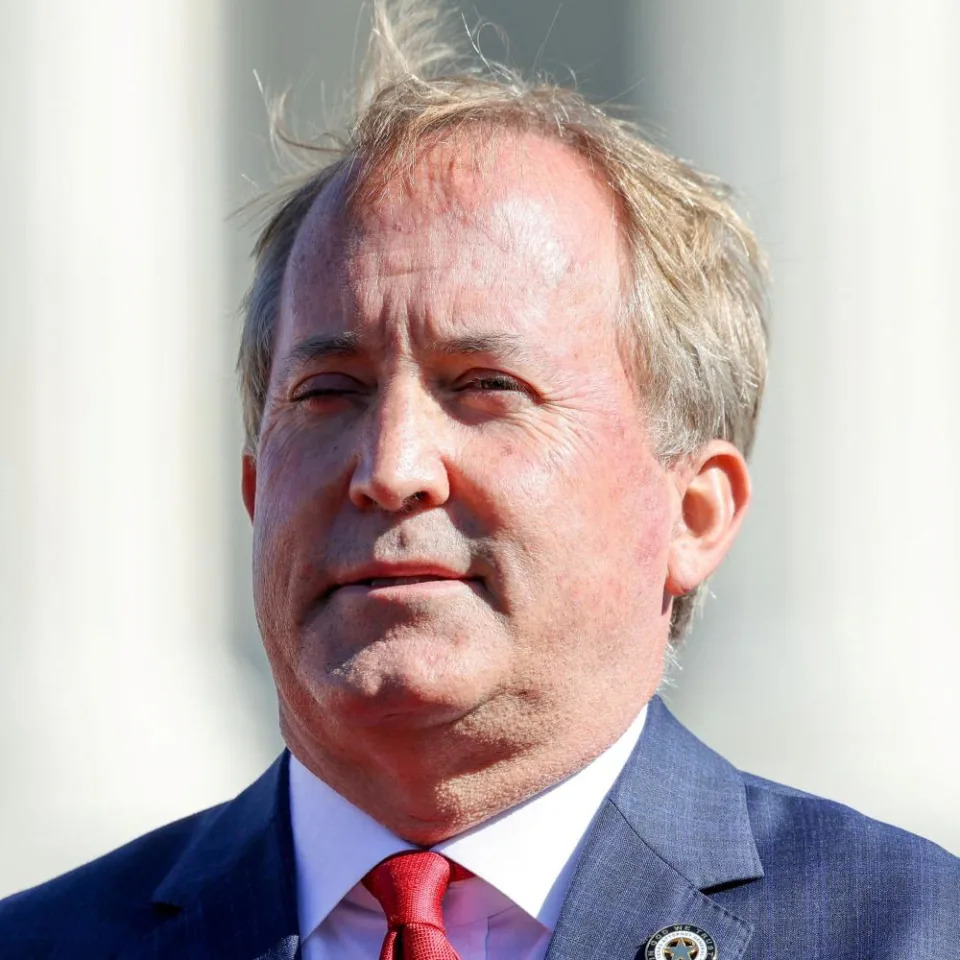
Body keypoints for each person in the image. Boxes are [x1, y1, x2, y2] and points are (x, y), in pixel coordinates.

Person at [2, 2, 957, 958]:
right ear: (256, 492)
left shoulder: (906, 932)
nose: (391, 469)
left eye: (485, 387)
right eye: (329, 393)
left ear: (694, 512)